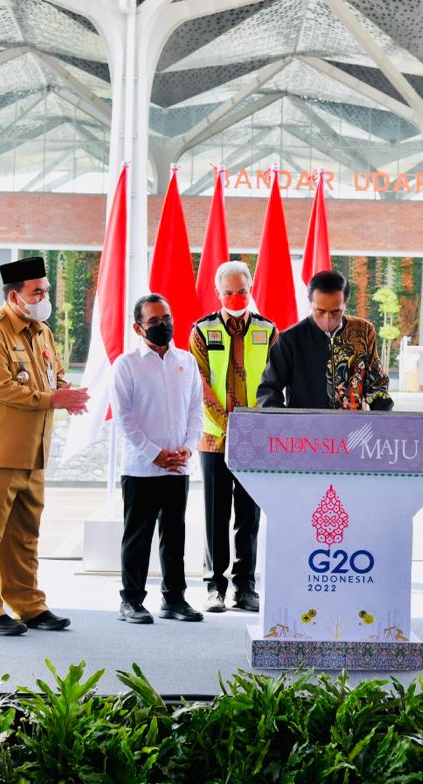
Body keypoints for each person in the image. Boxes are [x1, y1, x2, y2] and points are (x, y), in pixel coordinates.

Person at [0, 256, 90, 635]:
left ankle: (28, 605)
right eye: (38, 291)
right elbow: (0, 388)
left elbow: (55, 377)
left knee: (25, 534)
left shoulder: (42, 332)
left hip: (33, 452)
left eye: (46, 290)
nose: (45, 297)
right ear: (15, 296)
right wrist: (54, 400)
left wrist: (67, 393)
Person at [111, 294, 203, 625]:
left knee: (174, 535)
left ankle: (174, 599)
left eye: (166, 318)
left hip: (178, 465)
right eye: (154, 321)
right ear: (139, 328)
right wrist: (155, 454)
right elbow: (123, 418)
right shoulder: (127, 364)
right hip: (141, 468)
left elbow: (196, 411)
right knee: (138, 536)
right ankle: (131, 601)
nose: (163, 325)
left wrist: (188, 449)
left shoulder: (187, 361)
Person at [190, 261, 276, 614]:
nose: (236, 298)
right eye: (228, 292)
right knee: (216, 513)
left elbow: (274, 381)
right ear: (218, 292)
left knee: (249, 516)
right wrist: (228, 425)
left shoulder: (268, 330)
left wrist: (254, 426)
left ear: (251, 288)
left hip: (255, 440)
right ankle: (215, 586)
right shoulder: (203, 330)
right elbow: (199, 383)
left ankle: (246, 586)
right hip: (214, 439)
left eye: (242, 291)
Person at [257, 269, 393, 411]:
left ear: (345, 304)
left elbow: (376, 385)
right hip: (306, 429)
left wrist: (383, 420)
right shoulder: (290, 339)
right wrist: (283, 422)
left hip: (352, 427)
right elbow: (269, 389)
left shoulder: (363, 331)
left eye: (335, 311)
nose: (327, 318)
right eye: (320, 311)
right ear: (310, 303)